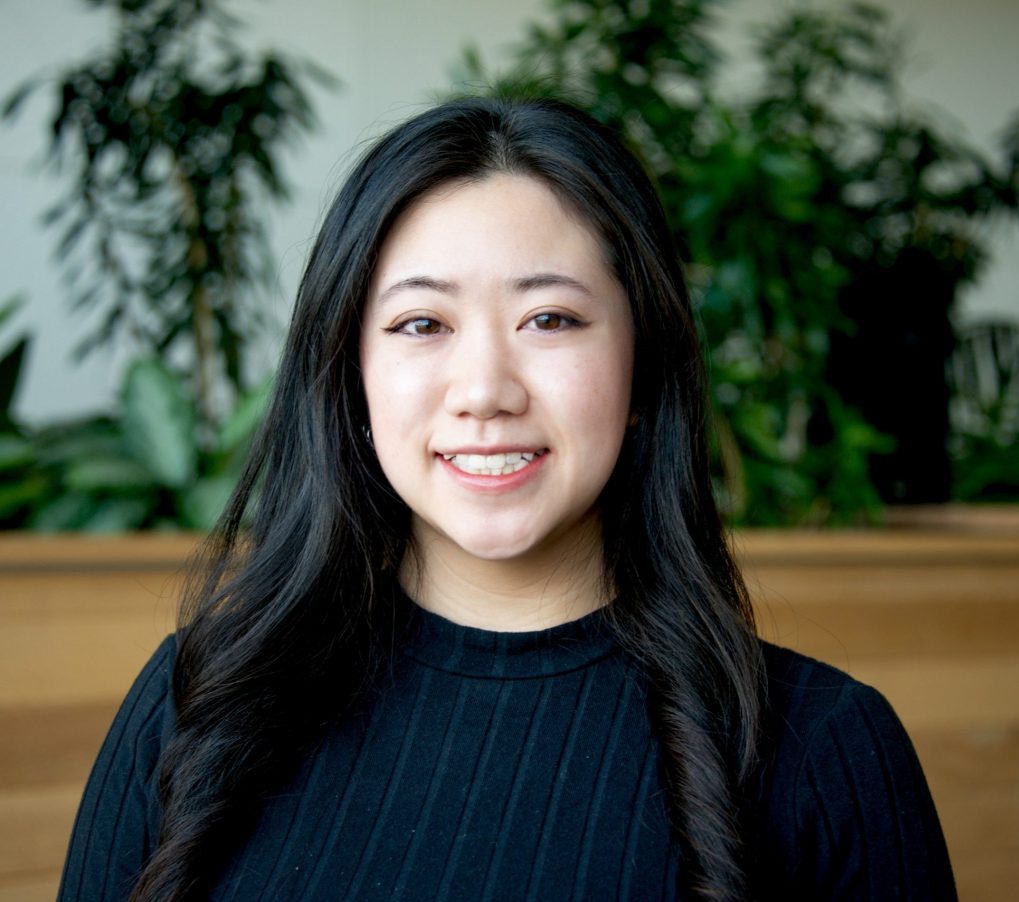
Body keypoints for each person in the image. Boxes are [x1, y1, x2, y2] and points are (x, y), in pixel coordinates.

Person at [58, 96, 957, 901]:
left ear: (644, 369)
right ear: (348, 378)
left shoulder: (823, 747)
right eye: (422, 324)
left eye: (551, 319)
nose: (485, 389)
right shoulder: (203, 699)